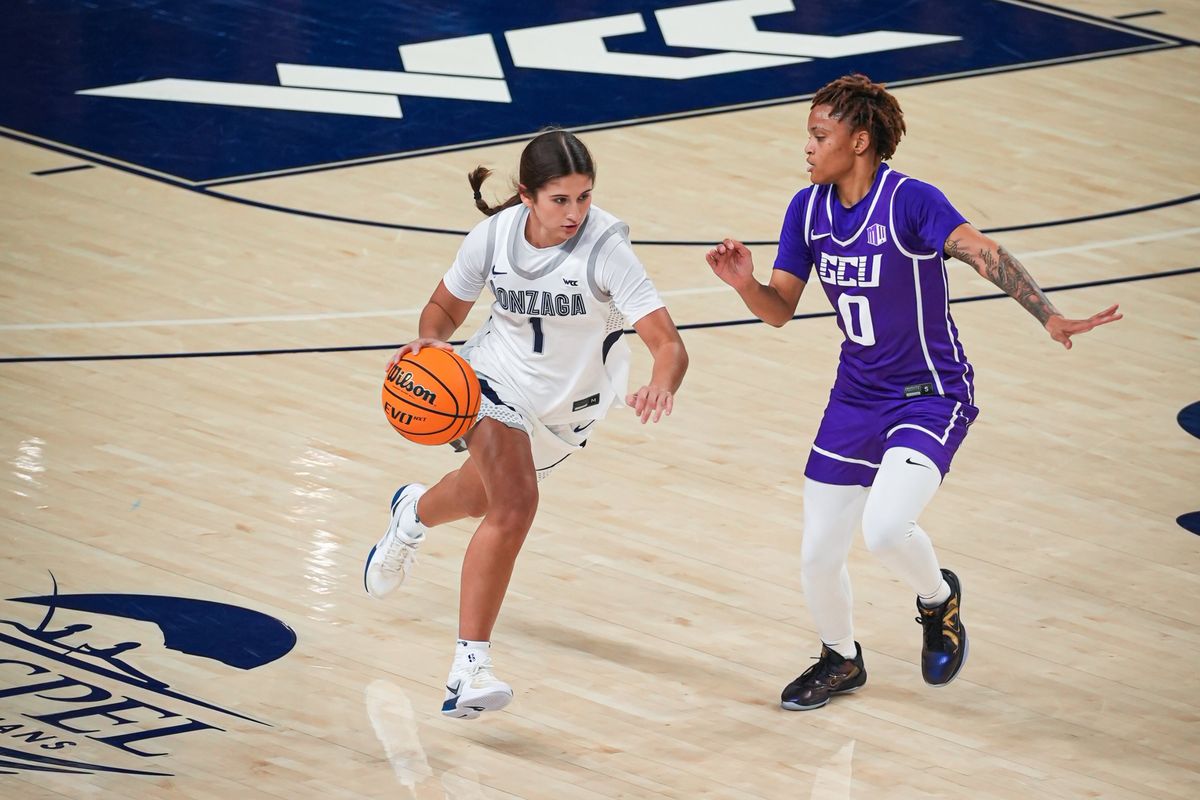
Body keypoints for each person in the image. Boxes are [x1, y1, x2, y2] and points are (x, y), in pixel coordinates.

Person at [706, 74, 1121, 711]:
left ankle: (938, 600)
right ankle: (841, 658)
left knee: (885, 529)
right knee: (818, 555)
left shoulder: (911, 203)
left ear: (861, 141)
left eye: (820, 136)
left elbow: (985, 254)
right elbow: (780, 309)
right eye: (808, 136)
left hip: (930, 392)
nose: (809, 148)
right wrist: (744, 283)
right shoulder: (807, 209)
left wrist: (1048, 315)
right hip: (854, 396)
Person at [365, 129, 689, 720]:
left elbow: (668, 342)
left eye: (584, 197)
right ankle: (470, 670)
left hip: (564, 414)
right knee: (514, 506)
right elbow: (443, 309)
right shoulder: (493, 237)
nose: (575, 213)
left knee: (476, 497)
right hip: (491, 382)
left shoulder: (607, 249)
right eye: (560, 199)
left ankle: (410, 515)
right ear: (526, 195)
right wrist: (432, 345)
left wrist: (660, 384)